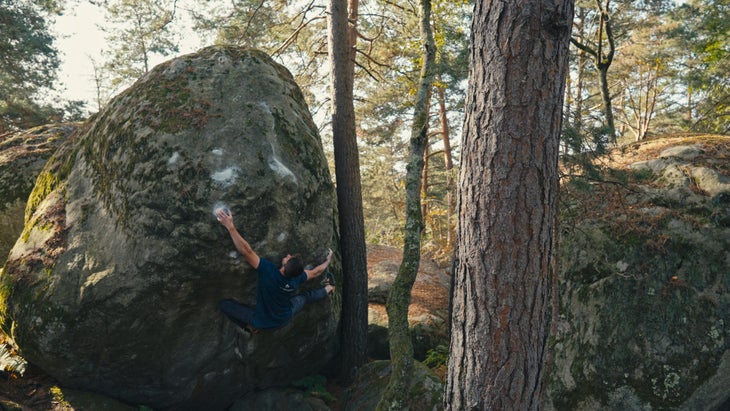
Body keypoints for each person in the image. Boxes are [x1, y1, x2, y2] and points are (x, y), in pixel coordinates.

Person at [215, 208, 335, 333]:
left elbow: (246, 251)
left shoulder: (268, 271)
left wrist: (230, 227)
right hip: (283, 319)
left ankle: (250, 327)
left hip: (262, 322)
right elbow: (316, 272)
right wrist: (327, 261)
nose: (288, 255)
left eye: (289, 258)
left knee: (224, 305)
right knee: (304, 298)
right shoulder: (297, 278)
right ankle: (329, 288)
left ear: (284, 265)